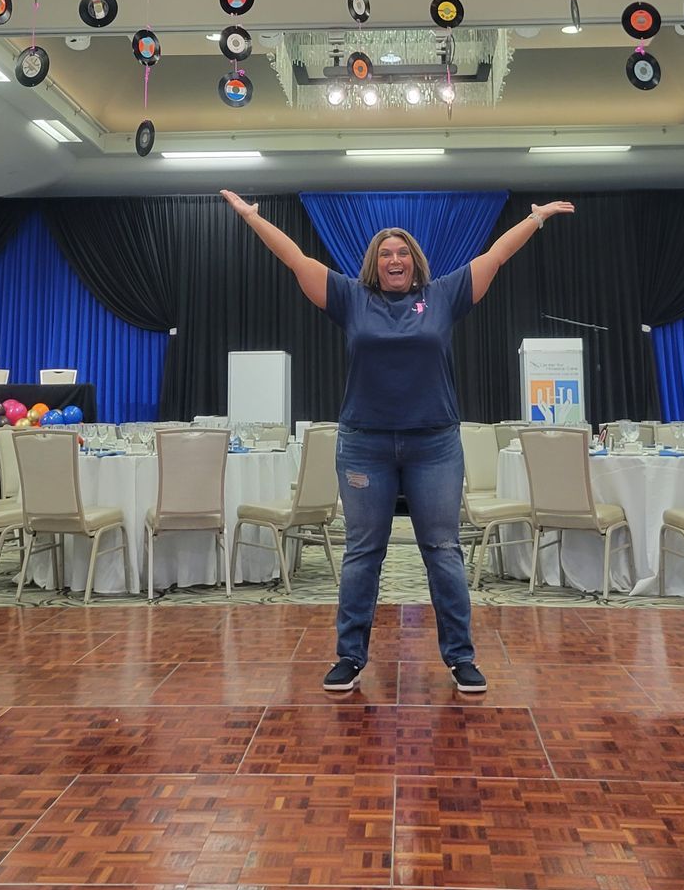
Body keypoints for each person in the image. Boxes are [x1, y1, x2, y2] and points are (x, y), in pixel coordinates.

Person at [221, 191, 574, 694]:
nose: (395, 259)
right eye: (386, 253)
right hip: (365, 445)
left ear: (415, 261)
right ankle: (349, 655)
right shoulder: (350, 298)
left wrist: (535, 219)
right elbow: (295, 258)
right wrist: (254, 219)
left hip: (435, 444)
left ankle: (460, 657)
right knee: (363, 552)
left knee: (442, 549)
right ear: (375, 263)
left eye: (402, 252)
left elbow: (495, 255)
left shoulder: (445, 294)